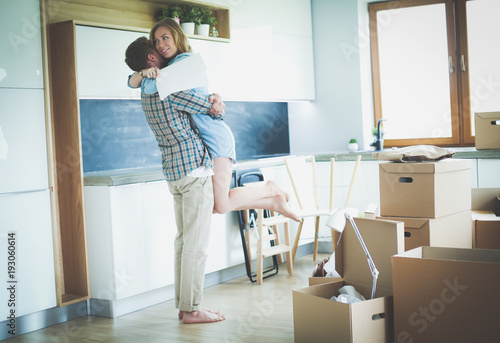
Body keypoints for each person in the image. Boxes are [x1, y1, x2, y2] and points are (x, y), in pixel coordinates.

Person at [127, 20, 301, 222]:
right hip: (206, 141)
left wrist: (142, 75)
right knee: (215, 205)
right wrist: (141, 74)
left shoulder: (182, 62)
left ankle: (270, 189)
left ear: (177, 36)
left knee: (220, 204)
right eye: (156, 40)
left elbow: (145, 87)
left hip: (215, 138)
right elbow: (134, 82)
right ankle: (273, 202)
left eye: (165, 37)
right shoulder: (174, 67)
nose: (160, 44)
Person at [126, 37, 225, 324]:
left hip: (174, 172)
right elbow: (211, 108)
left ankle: (186, 308)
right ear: (151, 59)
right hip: (194, 171)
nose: (163, 50)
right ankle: (192, 309)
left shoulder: (146, 90)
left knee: (184, 242)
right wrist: (216, 98)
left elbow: (133, 80)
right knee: (197, 245)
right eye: (157, 48)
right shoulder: (169, 86)